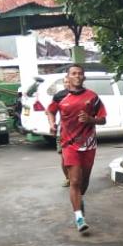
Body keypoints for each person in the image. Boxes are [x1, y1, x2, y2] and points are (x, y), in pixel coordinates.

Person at [45, 64, 106, 233]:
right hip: (69, 144)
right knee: (75, 181)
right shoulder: (60, 97)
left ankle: (79, 199)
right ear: (68, 77)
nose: (77, 76)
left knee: (84, 183)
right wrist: (52, 124)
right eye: (74, 74)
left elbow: (103, 119)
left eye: (80, 74)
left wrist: (90, 119)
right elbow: (50, 111)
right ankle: (79, 217)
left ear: (84, 77)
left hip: (89, 145)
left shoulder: (93, 97)